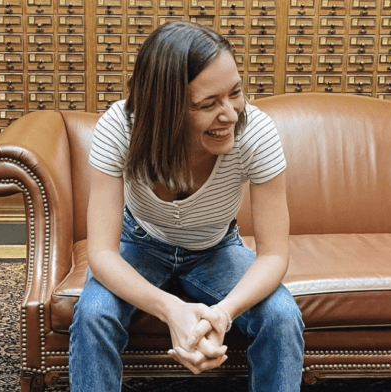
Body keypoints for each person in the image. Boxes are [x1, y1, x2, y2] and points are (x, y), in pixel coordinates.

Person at [68, 21, 305, 392]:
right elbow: (102, 253)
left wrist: (223, 314)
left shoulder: (256, 133)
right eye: (208, 104)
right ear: (165, 109)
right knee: (93, 314)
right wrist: (171, 309)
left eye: (235, 93)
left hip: (217, 248)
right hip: (140, 242)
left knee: (281, 315)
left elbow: (274, 255)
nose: (229, 114)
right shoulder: (120, 128)